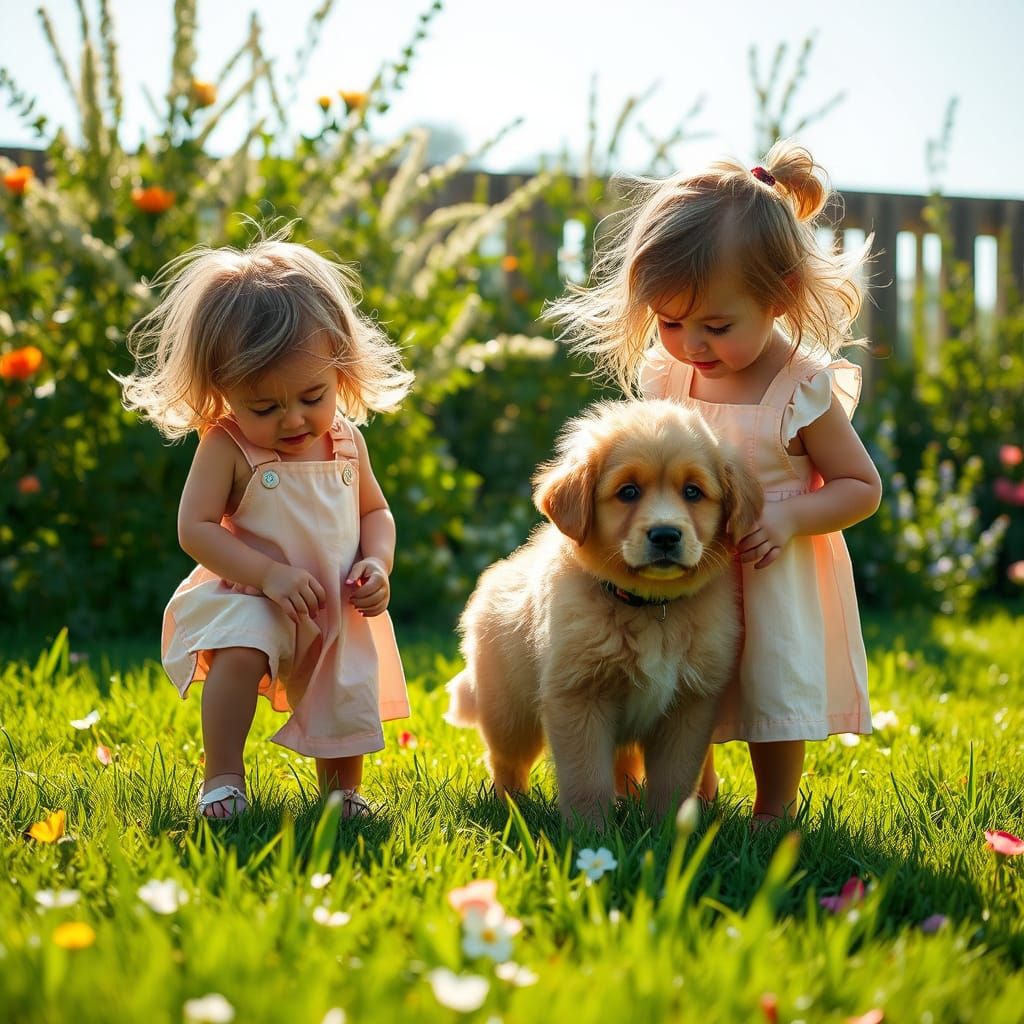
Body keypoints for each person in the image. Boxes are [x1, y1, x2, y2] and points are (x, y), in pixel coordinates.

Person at [549, 141, 883, 824]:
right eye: (671, 323)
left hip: (769, 564)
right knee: (680, 681)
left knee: (770, 689)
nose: (692, 344)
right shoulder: (669, 376)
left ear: (780, 296)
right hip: (684, 563)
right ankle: (691, 791)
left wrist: (790, 518)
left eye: (716, 325)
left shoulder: (802, 386)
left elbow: (860, 485)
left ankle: (775, 806)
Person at [119, 233, 414, 820]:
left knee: (344, 687)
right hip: (251, 590)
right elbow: (195, 528)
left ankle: (341, 792)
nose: (294, 419)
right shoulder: (226, 447)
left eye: (312, 396)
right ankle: (223, 777)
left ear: (342, 370)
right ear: (221, 390)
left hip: (332, 596)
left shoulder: (346, 442)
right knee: (240, 652)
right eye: (264, 407)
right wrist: (268, 575)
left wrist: (376, 562)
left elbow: (374, 513)